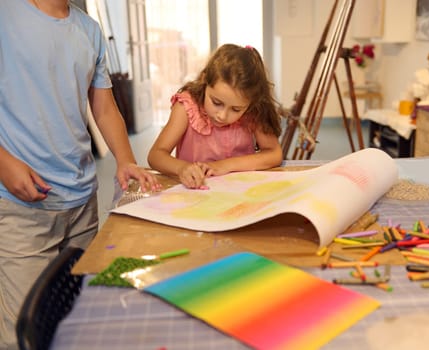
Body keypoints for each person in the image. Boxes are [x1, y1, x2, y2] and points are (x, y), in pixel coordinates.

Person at [0, 1, 160, 348]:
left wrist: (125, 159)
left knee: (82, 315)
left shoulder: (89, 30)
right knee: (25, 332)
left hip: (83, 201)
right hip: (22, 209)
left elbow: (103, 108)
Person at [148, 44, 283, 189]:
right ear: (205, 80)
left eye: (236, 109)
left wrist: (224, 166)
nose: (223, 116)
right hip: (194, 196)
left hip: (240, 192)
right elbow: (156, 155)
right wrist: (182, 168)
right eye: (216, 102)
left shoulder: (253, 110)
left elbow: (274, 153)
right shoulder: (186, 107)